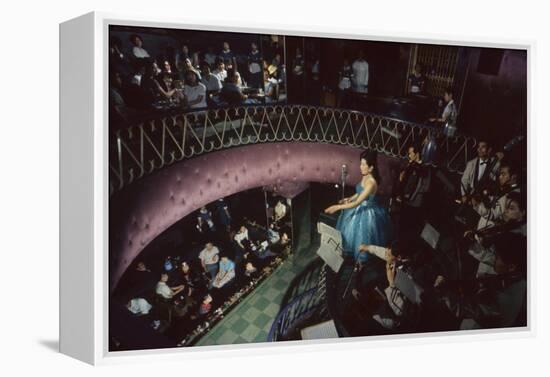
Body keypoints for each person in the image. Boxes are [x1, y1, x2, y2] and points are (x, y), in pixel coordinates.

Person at [324, 150, 393, 263]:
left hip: (368, 212)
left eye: (363, 165)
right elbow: (359, 192)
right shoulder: (365, 176)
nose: (360, 167)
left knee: (361, 237)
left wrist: (337, 207)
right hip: (359, 206)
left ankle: (360, 264)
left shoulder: (371, 182)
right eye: (360, 163)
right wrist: (349, 198)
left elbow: (358, 202)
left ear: (371, 168)